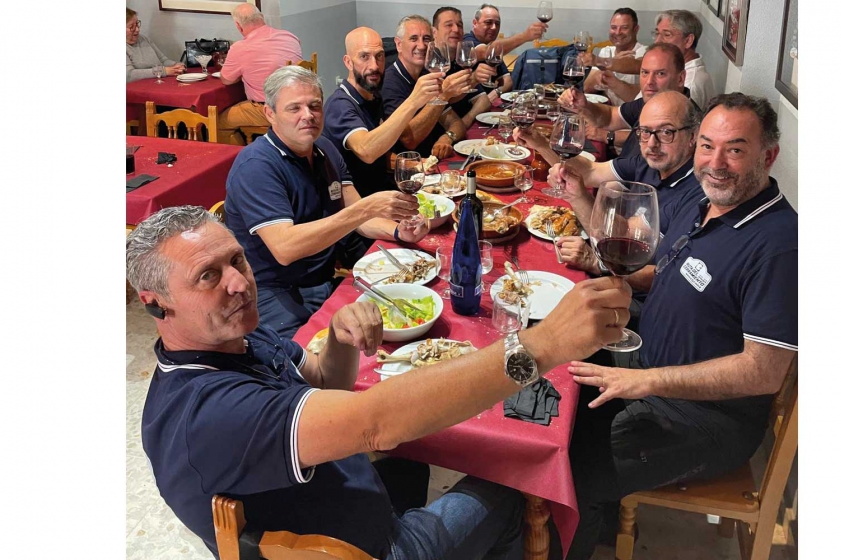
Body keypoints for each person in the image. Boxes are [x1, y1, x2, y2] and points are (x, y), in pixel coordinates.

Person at [128, 204, 633, 559]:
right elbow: (377, 424)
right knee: (517, 482)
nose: (238, 282)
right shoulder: (211, 412)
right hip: (376, 549)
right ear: (155, 304)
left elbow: (325, 385)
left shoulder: (231, 338)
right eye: (207, 277)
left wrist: (342, 341)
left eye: (236, 260)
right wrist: (546, 346)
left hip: (348, 502)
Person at [562, 93, 798, 560]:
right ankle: (598, 517)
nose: (716, 163)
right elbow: (662, 275)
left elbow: (764, 372)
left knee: (569, 469)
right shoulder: (705, 206)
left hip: (700, 418)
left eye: (735, 148)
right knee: (549, 405)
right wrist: (604, 281)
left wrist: (646, 381)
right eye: (707, 146)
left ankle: (574, 524)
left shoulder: (780, 246)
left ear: (768, 156)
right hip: (643, 365)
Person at [225, 66, 429, 338]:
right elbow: (285, 248)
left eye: (314, 106)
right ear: (270, 113)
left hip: (323, 280)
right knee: (317, 361)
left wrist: (397, 230)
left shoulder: (325, 149)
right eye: (294, 108)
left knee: (402, 316)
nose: (307, 115)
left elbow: (358, 216)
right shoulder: (257, 166)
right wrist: (364, 208)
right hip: (273, 293)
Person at [540, 91, 703, 277]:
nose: (652, 143)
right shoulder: (649, 162)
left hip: (640, 299)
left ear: (693, 136)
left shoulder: (697, 195)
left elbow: (673, 276)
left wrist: (596, 263)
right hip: (618, 270)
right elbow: (624, 232)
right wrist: (575, 194)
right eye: (645, 132)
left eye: (666, 132)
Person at [323, 27, 443, 197]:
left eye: (379, 56)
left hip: (385, 190)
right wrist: (413, 101)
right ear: (348, 62)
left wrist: (414, 164)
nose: (374, 66)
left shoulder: (374, 96)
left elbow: (382, 155)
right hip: (359, 205)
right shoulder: (340, 105)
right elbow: (367, 151)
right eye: (364, 57)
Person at [557, 43, 693, 160]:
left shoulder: (682, 124)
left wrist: (543, 146)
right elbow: (610, 117)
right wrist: (584, 106)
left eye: (660, 74)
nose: (650, 82)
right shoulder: (653, 102)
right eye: (645, 73)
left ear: (681, 79)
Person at [382, 15, 471, 159]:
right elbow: (409, 140)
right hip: (411, 170)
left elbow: (456, 123)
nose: (422, 46)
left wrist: (447, 137)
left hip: (435, 160)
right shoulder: (390, 82)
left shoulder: (427, 74)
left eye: (426, 39)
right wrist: (443, 95)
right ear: (398, 44)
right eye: (413, 39)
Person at [216, 4, 303, 145]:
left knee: (218, 122)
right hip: (297, 101)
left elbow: (226, 80)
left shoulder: (241, 48)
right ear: (261, 18)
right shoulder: (290, 37)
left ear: (238, 26)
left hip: (268, 109)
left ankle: (239, 158)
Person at [432, 7, 495, 128]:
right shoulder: (431, 66)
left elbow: (484, 100)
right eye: (448, 25)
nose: (456, 29)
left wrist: (467, 120)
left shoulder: (460, 59)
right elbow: (445, 100)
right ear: (434, 32)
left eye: (459, 25)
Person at [464, 4, 548, 93]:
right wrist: (525, 36)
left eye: (497, 23)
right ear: (475, 23)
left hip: (487, 102)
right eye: (488, 22)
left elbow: (507, 81)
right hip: (469, 103)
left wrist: (496, 93)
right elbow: (486, 53)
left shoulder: (493, 48)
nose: (494, 27)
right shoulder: (467, 41)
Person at [650, 10, 716, 110]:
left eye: (667, 35)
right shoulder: (677, 67)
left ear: (688, 41)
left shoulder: (690, 84)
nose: (657, 41)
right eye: (657, 33)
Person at [582, 8, 649, 106]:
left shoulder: (645, 52)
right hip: (609, 112)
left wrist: (608, 63)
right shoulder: (606, 51)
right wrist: (611, 62)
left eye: (624, 28)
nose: (618, 32)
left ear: (636, 29)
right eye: (614, 27)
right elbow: (587, 87)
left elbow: (636, 66)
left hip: (634, 114)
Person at [126, 8, 184, 82]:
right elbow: (129, 75)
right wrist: (162, 71)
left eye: (137, 24)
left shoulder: (144, 39)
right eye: (131, 27)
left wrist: (177, 66)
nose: (137, 29)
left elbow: (163, 61)